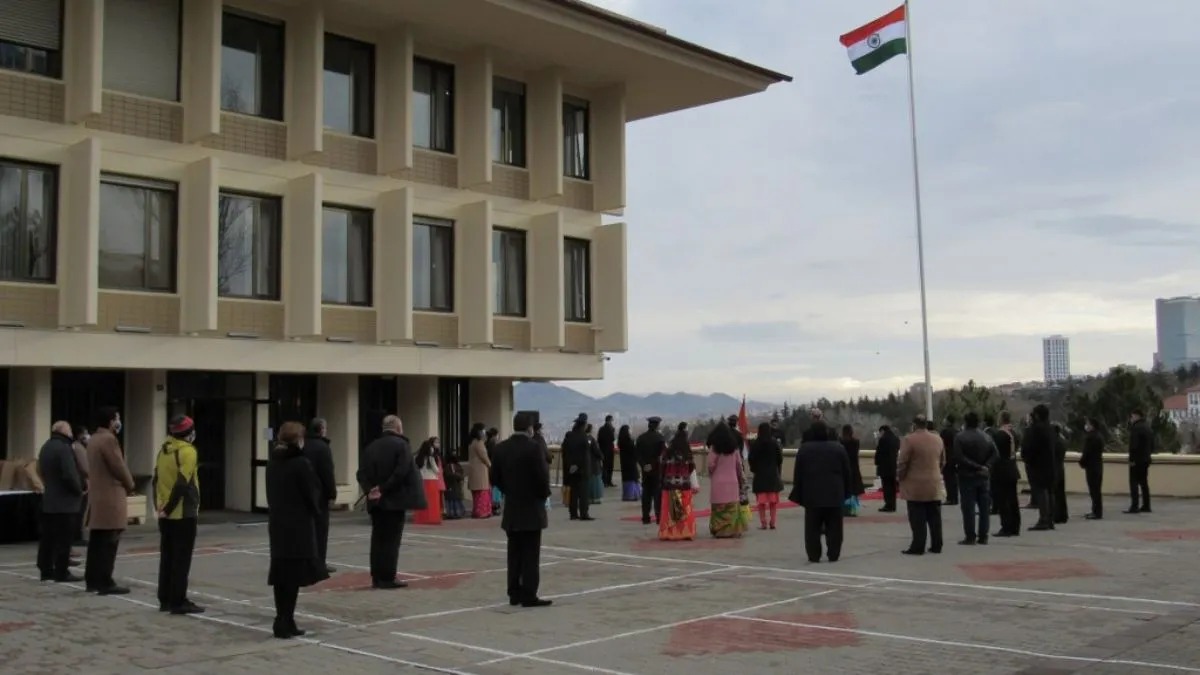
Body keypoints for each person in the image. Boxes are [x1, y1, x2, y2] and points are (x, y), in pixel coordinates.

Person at [266, 421, 329, 639]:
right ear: (298, 440)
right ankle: (285, 620)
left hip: (278, 524)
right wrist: (316, 510)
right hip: (298, 525)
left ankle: (283, 618)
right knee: (292, 577)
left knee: (281, 574)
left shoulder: (272, 462)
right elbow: (312, 493)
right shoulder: (301, 463)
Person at [356, 415, 425, 590]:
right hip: (394, 500)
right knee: (391, 541)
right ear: (398, 428)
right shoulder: (402, 445)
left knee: (377, 539)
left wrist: (370, 489)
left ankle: (377, 576)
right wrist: (383, 488)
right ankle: (387, 577)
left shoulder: (370, 446)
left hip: (375, 501)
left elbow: (361, 473)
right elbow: (401, 471)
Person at [491, 412, 552, 608]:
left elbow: (494, 477)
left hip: (513, 508)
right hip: (532, 508)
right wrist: (542, 496)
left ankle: (514, 592)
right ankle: (529, 594)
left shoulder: (501, 449)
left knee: (514, 552)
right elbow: (542, 478)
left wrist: (508, 490)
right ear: (530, 428)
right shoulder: (534, 448)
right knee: (531, 554)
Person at [154, 415, 203, 614]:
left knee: (167, 556)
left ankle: (164, 598)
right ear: (189, 432)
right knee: (181, 559)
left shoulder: (164, 450)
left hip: (165, 512)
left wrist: (159, 508)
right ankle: (178, 600)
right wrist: (170, 508)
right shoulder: (188, 452)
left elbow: (155, 479)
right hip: (182, 512)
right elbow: (183, 483)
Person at [85, 406, 134, 595]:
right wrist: (130, 483)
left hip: (97, 495)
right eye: (117, 418)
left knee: (96, 542)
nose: (118, 421)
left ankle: (92, 580)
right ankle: (105, 581)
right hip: (110, 496)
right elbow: (118, 466)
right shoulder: (108, 440)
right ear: (111, 420)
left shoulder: (94, 439)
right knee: (109, 541)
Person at [790, 421, 853, 562]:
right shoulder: (839, 448)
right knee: (835, 527)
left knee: (812, 528)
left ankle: (814, 555)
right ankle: (834, 553)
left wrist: (799, 494)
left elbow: (798, 474)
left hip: (812, 495)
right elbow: (847, 472)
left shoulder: (804, 449)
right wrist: (847, 492)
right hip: (835, 494)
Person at [37, 421, 84, 583]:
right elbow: (69, 474)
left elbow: (40, 470)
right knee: (64, 538)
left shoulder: (46, 447)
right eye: (70, 430)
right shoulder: (64, 448)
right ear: (64, 431)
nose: (71, 433)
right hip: (65, 502)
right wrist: (79, 489)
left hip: (49, 500)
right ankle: (62, 571)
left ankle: (45, 569)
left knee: (48, 538)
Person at [898, 416, 945, 555]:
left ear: (914, 425)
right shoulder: (938, 439)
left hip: (915, 484)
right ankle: (937, 544)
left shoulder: (909, 440)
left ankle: (918, 546)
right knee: (935, 517)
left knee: (917, 517)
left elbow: (902, 463)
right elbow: (943, 461)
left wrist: (900, 478)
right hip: (934, 482)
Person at [952, 412, 997, 545]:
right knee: (984, 508)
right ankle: (984, 536)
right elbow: (995, 453)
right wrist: (986, 466)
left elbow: (959, 457)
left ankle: (970, 536)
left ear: (965, 422)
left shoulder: (960, 437)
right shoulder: (986, 436)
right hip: (983, 477)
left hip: (967, 476)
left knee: (968, 508)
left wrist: (976, 466)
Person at [303, 418, 337, 574]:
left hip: (304, 493)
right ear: (321, 429)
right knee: (320, 530)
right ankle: (319, 563)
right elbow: (327, 473)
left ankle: (307, 561)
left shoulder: (303, 445)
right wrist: (332, 493)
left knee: (307, 530)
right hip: (319, 494)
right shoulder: (323, 447)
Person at [707, 421, 747, 538]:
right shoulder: (734, 449)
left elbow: (710, 465)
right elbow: (739, 467)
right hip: (732, 482)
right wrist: (741, 480)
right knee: (732, 508)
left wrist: (712, 475)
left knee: (718, 508)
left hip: (718, 483)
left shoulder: (714, 449)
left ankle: (719, 530)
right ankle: (732, 530)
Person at [659, 422, 698, 540]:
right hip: (684, 484)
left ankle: (668, 532)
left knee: (668, 509)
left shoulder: (669, 450)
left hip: (669, 484)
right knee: (685, 508)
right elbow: (692, 467)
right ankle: (685, 532)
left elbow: (662, 465)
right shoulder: (687, 451)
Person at [1022, 405, 1057, 531]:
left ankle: (1043, 519)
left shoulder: (1035, 429)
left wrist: (1027, 458)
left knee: (1041, 491)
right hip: (1050, 464)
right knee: (1050, 491)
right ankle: (1050, 519)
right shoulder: (1050, 428)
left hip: (1038, 465)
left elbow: (1030, 447)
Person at [990, 412, 1022, 537]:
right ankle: (1015, 526)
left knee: (1003, 500)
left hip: (1001, 470)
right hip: (1012, 467)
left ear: (1001, 419)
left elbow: (994, 452)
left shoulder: (999, 435)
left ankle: (1006, 527)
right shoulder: (1015, 433)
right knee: (1013, 499)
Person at [748, 422, 783, 530]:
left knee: (761, 502)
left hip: (760, 475)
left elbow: (751, 458)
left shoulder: (756, 444)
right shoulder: (774, 443)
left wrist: (754, 469)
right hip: (772, 474)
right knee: (773, 502)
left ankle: (763, 523)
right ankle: (773, 522)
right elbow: (779, 458)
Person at [561, 416, 594, 521]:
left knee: (574, 492)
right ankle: (584, 513)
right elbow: (584, 455)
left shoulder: (569, 437)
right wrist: (577, 465)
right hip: (582, 469)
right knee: (583, 492)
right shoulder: (584, 437)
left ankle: (573, 513)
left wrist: (570, 466)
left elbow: (565, 453)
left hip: (571, 469)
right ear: (583, 426)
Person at [635, 417, 666, 525]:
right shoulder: (660, 438)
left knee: (646, 494)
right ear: (657, 425)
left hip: (645, 470)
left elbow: (637, 455)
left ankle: (645, 517)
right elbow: (662, 456)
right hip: (657, 470)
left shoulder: (641, 438)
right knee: (657, 495)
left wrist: (644, 465)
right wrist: (653, 465)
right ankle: (658, 517)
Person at [1126, 408, 1153, 514]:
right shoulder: (1148, 428)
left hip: (1136, 460)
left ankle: (1134, 506)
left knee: (1133, 483)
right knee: (1144, 483)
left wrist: (1132, 459)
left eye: (1132, 417)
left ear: (1137, 416)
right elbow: (1152, 445)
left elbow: (1134, 446)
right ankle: (1146, 505)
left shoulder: (1136, 428)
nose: (1131, 419)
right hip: (1146, 459)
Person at [413, 437, 444, 525]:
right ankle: (432, 518)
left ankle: (421, 518)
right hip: (432, 480)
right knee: (432, 502)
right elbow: (436, 470)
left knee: (423, 500)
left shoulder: (418, 457)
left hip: (422, 480)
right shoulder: (431, 458)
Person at [466, 423, 493, 519]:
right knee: (482, 492)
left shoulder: (472, 442)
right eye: (483, 431)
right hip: (480, 470)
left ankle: (476, 511)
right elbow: (484, 457)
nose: (484, 433)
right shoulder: (479, 443)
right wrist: (491, 465)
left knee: (476, 493)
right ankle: (482, 512)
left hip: (474, 470)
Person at [1080, 418, 1105, 520]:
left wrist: (1082, 462)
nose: (1086, 426)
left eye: (1087, 424)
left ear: (1092, 426)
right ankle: (1095, 510)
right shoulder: (1099, 436)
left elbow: (1087, 452)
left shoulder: (1091, 438)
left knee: (1094, 490)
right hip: (1098, 466)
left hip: (1092, 467)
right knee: (1096, 490)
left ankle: (1096, 512)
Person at [70, 424, 90, 547]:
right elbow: (85, 467)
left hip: (79, 481)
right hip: (82, 482)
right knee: (80, 510)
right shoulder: (78, 448)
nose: (87, 436)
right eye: (85, 433)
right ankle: (77, 536)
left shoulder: (75, 447)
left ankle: (77, 535)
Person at [839, 425, 864, 517]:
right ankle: (853, 509)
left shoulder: (840, 442)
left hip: (843, 467)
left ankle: (844, 508)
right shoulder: (856, 442)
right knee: (854, 490)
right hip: (854, 467)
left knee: (844, 489)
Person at [874, 425, 900, 512]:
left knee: (886, 487)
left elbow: (879, 452)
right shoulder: (896, 439)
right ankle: (893, 504)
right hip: (893, 466)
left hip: (884, 466)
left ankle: (888, 504)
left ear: (882, 431)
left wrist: (877, 462)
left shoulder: (883, 439)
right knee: (892, 487)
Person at [443, 445, 467, 520]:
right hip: (452, 486)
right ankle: (455, 513)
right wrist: (457, 476)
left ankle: (453, 512)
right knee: (454, 499)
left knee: (454, 499)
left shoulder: (450, 466)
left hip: (453, 486)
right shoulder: (450, 466)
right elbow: (452, 475)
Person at [940, 415, 960, 506]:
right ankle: (955, 498)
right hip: (956, 457)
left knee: (948, 479)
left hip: (947, 457)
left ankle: (950, 498)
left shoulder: (945, 432)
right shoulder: (957, 431)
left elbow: (941, 445)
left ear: (948, 421)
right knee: (954, 479)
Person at [1051, 423, 1069, 525]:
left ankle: (1057, 515)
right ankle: (1063, 515)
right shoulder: (1062, 441)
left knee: (1056, 494)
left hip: (1055, 469)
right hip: (1061, 469)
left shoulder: (1055, 442)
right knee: (1061, 494)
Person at [617, 425, 640, 502]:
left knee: (627, 478)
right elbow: (634, 451)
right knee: (633, 477)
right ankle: (633, 495)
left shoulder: (621, 441)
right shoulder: (629, 441)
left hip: (625, 462)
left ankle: (627, 495)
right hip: (631, 462)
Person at [486, 427, 503, 516]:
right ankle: (495, 506)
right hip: (495, 468)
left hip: (491, 468)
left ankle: (493, 506)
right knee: (496, 488)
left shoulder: (488, 442)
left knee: (493, 488)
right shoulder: (494, 443)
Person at [586, 423, 604, 504]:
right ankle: (595, 498)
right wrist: (602, 457)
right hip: (594, 464)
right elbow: (597, 451)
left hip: (586, 464)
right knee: (595, 482)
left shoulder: (583, 438)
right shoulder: (591, 439)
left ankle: (588, 498)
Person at [598, 415, 617, 488]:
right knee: (609, 466)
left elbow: (599, 440)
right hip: (609, 450)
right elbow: (612, 438)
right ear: (609, 420)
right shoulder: (610, 429)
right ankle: (608, 481)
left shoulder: (601, 429)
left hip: (603, 450)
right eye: (612, 420)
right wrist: (613, 431)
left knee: (605, 466)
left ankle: (605, 481)